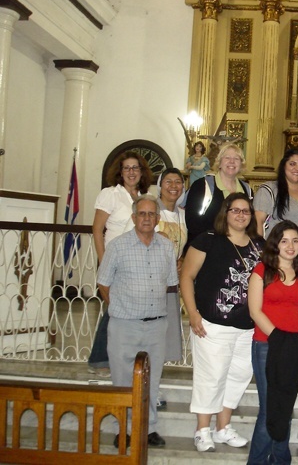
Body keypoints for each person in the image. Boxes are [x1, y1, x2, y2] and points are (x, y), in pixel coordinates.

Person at [180, 193, 264, 452]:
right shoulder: (208, 240)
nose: (241, 215)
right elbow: (186, 276)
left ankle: (222, 428)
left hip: (247, 326)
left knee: (238, 377)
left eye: (246, 211)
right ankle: (202, 430)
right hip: (213, 322)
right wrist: (192, 313)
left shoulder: (259, 245)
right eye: (235, 210)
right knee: (211, 377)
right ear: (225, 213)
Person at [97, 194, 178, 449]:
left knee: (151, 381)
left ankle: (148, 429)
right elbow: (103, 284)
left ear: (157, 218)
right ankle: (124, 429)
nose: (146, 218)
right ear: (133, 218)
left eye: (151, 214)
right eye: (141, 214)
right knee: (122, 381)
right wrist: (121, 309)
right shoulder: (118, 246)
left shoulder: (166, 247)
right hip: (125, 325)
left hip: (156, 325)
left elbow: (170, 283)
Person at [247, 221, 298, 464]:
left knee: (284, 407)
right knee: (270, 409)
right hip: (267, 345)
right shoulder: (261, 271)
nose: (291, 245)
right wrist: (278, 338)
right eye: (284, 240)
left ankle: (279, 459)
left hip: (295, 347)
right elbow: (255, 311)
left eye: (295, 240)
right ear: (275, 243)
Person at [89, 151, 153, 376]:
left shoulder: (144, 196)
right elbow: (97, 230)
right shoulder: (110, 194)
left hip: (137, 261)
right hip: (114, 260)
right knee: (115, 308)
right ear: (120, 172)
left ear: (141, 172)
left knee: (127, 310)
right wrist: (103, 259)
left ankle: (125, 356)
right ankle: (100, 359)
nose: (131, 172)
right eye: (127, 168)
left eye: (135, 168)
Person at [184, 142, 252, 251]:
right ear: (219, 163)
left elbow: (250, 223)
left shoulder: (247, 190)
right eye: (227, 158)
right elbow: (192, 223)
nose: (232, 161)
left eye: (236, 159)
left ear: (241, 165)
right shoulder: (202, 186)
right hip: (205, 249)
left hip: (236, 250)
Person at [155, 167, 187, 367]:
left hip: (171, 279)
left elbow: (183, 244)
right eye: (169, 182)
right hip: (152, 279)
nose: (173, 186)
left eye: (178, 182)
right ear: (160, 185)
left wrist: (181, 260)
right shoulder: (151, 209)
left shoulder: (183, 215)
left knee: (166, 332)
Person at [253, 148, 298, 237]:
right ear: (284, 165)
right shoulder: (269, 190)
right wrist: (260, 248)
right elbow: (258, 222)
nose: (297, 169)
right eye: (292, 164)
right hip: (277, 249)